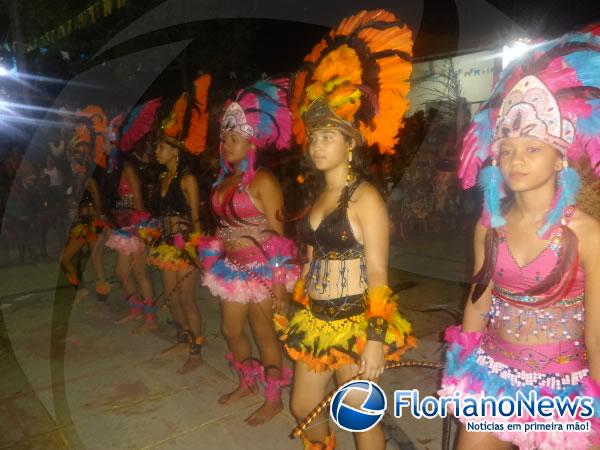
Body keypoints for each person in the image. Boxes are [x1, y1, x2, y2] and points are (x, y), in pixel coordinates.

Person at [439, 24, 600, 449]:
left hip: (564, 388)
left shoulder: (587, 234)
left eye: (532, 149)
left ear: (559, 157)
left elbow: (598, 331)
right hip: (492, 376)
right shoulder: (489, 225)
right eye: (507, 149)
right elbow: (479, 298)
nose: (516, 160)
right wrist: (461, 365)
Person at [274, 10, 416, 449]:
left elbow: (377, 274)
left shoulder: (365, 198)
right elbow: (314, 259)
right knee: (303, 408)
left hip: (356, 321)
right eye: (313, 137)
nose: (316, 145)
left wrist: (374, 341)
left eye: (327, 137)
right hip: (315, 319)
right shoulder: (317, 195)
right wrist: (298, 298)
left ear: (351, 143)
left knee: (360, 419)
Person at [198, 78, 299, 426]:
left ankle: (273, 399)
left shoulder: (264, 182)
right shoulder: (223, 181)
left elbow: (278, 234)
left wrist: (280, 284)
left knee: (264, 335)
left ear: (252, 141)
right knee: (230, 330)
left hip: (261, 272)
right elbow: (220, 227)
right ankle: (247, 381)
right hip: (230, 269)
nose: (226, 145)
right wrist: (210, 256)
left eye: (234, 139)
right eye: (224, 139)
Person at [149, 75, 210, 374]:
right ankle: (182, 337)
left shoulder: (187, 179)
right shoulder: (162, 179)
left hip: (185, 246)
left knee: (186, 299)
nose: (156, 152)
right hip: (164, 246)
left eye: (161, 147)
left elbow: (197, 218)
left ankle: (196, 350)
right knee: (172, 300)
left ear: (175, 150)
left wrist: (197, 252)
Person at [104, 98, 161, 328]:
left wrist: (142, 230)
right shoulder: (113, 167)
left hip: (135, 227)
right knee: (121, 272)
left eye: (105, 142)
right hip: (122, 225)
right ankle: (136, 309)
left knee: (139, 273)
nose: (103, 146)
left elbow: (138, 199)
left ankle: (150, 318)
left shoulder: (126, 167)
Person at [60, 105, 111, 302]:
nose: (72, 164)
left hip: (91, 224)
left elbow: (98, 205)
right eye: (71, 161)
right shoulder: (75, 181)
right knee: (90, 260)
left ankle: (88, 289)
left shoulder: (89, 180)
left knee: (90, 259)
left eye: (75, 161)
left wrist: (101, 226)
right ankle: (96, 289)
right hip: (81, 224)